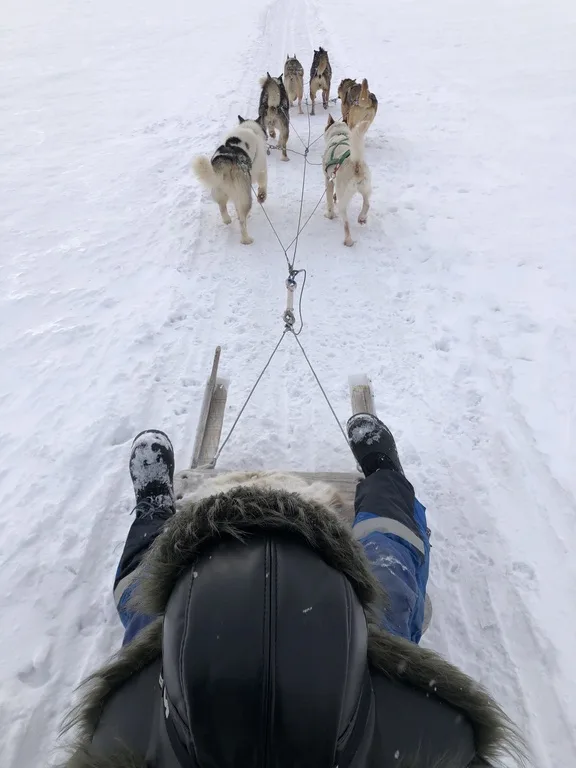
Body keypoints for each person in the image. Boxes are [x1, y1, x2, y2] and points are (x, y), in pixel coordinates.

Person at [60, 416, 523, 768]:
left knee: (144, 600)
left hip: (182, 725)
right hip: (355, 703)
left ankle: (153, 512)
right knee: (390, 566)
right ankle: (385, 478)